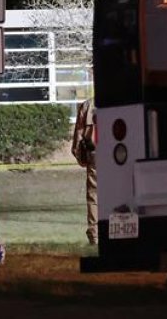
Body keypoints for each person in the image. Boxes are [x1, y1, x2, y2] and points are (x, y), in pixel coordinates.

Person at [71, 94, 98, 245]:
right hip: (118, 154)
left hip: (94, 154)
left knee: (94, 196)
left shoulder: (87, 106)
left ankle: (95, 235)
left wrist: (82, 158)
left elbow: (78, 139)